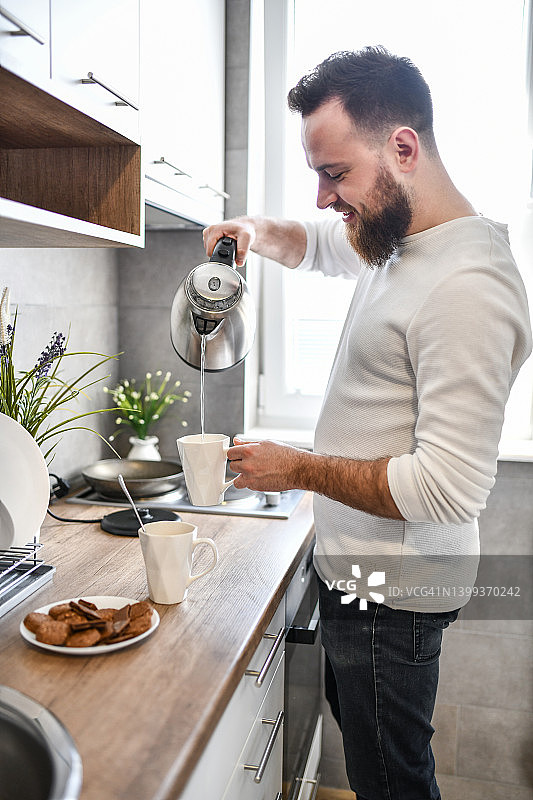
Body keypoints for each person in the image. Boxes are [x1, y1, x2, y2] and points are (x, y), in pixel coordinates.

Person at [203, 47, 532, 800]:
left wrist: (296, 468)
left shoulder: (466, 286)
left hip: (394, 592)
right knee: (374, 759)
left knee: (392, 782)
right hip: (363, 578)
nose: (323, 197)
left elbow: (449, 489)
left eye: (334, 174)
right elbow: (319, 246)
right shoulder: (403, 242)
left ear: (403, 149)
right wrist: (254, 228)